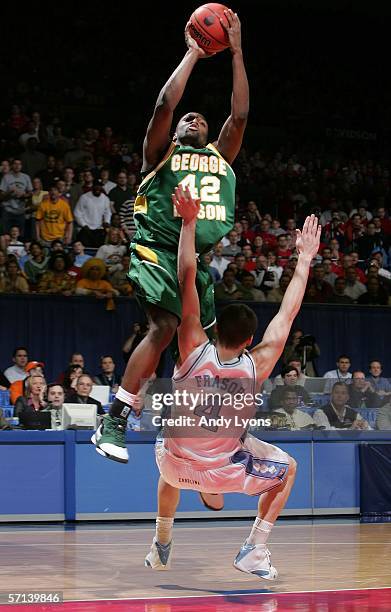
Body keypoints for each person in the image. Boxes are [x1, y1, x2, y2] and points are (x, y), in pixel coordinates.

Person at [92, 10, 249, 462]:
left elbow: (238, 116)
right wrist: (194, 53)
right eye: (188, 119)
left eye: (200, 119)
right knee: (163, 325)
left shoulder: (220, 157)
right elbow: (164, 104)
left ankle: (193, 432)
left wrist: (236, 51)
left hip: (192, 258)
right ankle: (115, 418)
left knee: (201, 348)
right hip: (153, 248)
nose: (193, 119)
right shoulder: (159, 153)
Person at [142, 185, 320, 578]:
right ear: (249, 340)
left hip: (172, 466)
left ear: (214, 326)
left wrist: (189, 222)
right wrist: (304, 258)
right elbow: (287, 315)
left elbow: (186, 275)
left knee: (169, 437)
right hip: (221, 468)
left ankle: (162, 543)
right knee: (287, 469)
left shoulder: (191, 347)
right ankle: (254, 549)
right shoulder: (256, 365)